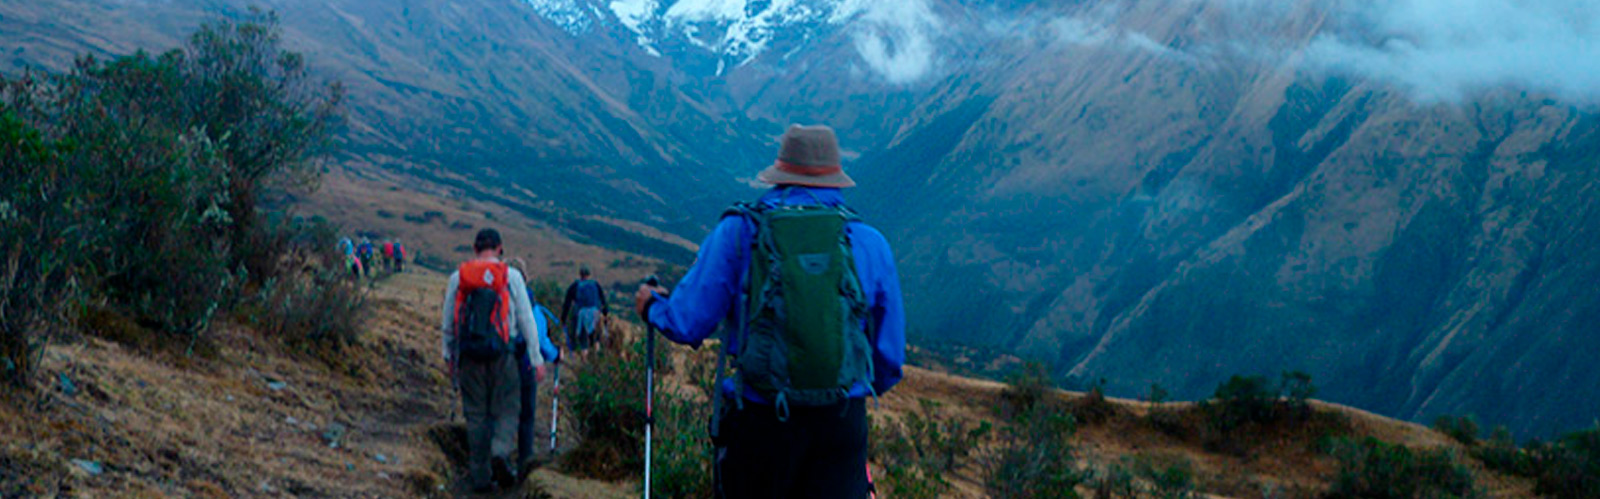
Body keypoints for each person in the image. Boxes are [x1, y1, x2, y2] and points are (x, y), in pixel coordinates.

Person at [634, 124, 905, 498]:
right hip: (842, 427)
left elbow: (687, 321)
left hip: (761, 423)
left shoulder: (741, 232)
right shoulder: (869, 242)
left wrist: (651, 307)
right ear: (835, 178)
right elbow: (889, 359)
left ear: (780, 175)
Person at [441, 229, 546, 492]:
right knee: (509, 408)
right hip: (503, 356)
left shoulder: (459, 277)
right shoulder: (511, 277)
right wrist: (536, 358)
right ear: (500, 249)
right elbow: (526, 320)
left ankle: (480, 477)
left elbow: (449, 324)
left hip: (468, 357)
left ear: (475, 249)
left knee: (476, 415)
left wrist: (449, 356)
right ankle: (500, 450)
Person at [508, 259, 560, 473]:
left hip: (498, 365)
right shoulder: (533, 306)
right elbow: (539, 338)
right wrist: (555, 355)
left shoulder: (496, 299)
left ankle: (494, 458)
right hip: (526, 367)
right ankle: (524, 462)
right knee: (526, 416)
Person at [559, 266, 608, 353]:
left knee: (583, 341)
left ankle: (582, 357)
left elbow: (567, 304)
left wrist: (563, 318)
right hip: (595, 315)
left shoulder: (575, 286)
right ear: (589, 274)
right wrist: (605, 314)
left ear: (580, 274)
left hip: (581, 316)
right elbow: (603, 301)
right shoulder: (595, 285)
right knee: (596, 338)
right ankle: (597, 357)